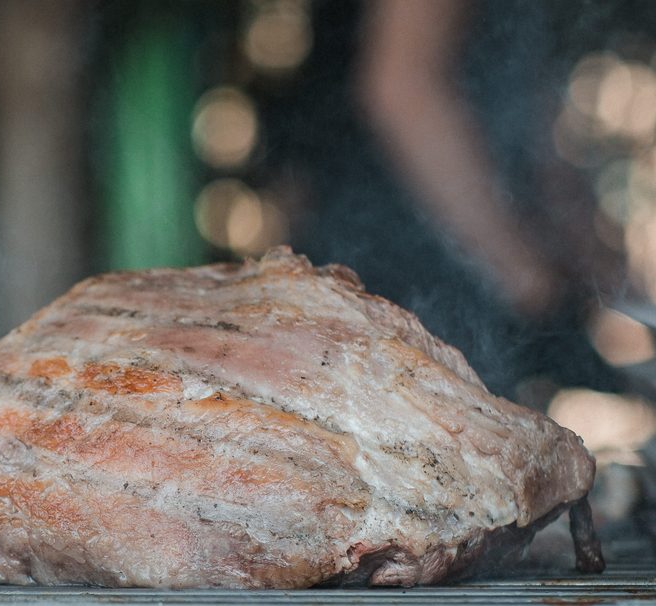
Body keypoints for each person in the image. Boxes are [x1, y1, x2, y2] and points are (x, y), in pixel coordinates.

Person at [263, 0, 636, 405]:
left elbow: (529, 105)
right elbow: (403, 89)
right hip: (395, 269)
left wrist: (593, 257)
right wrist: (529, 286)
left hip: (478, 281)